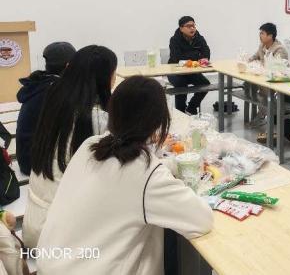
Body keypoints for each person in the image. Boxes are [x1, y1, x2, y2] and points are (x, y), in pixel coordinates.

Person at [36, 76, 213, 274]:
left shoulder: (90, 146)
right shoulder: (147, 174)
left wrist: (171, 165)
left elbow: (125, 178)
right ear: (158, 122)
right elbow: (202, 219)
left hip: (51, 263)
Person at [23, 45, 117, 248]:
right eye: (113, 73)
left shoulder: (55, 100)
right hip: (62, 240)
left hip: (34, 225)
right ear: (104, 78)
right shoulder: (97, 119)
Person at [15, 42, 76, 176]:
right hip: (36, 164)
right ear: (68, 66)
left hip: (26, 156)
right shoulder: (55, 90)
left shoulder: (42, 82)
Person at [248, 23, 288, 141]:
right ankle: (263, 113)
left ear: (270, 36)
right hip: (264, 78)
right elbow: (254, 57)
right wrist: (246, 62)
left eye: (262, 33)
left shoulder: (279, 49)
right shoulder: (262, 46)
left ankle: (266, 115)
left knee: (265, 91)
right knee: (247, 84)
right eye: (260, 33)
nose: (260, 35)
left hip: (277, 81)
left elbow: (278, 69)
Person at [168, 16, 211, 115]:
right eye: (189, 26)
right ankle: (181, 113)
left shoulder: (199, 38)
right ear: (181, 28)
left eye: (193, 26)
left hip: (192, 71)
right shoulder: (174, 40)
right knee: (181, 85)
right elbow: (177, 58)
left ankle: (191, 108)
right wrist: (196, 55)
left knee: (205, 84)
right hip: (175, 72)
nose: (192, 28)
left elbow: (206, 52)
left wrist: (203, 58)